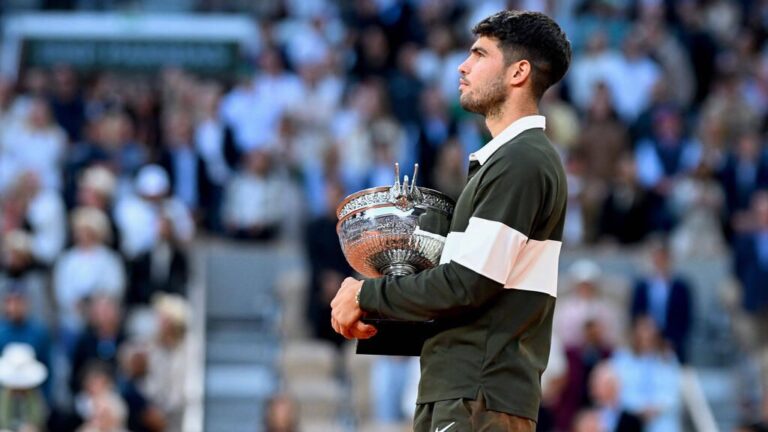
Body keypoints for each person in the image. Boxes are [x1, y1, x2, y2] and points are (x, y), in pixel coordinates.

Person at [331, 10, 571, 431]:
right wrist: (381, 320)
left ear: (518, 72)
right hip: (464, 390)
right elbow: (475, 298)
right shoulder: (508, 160)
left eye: (479, 54)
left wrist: (367, 296)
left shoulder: (522, 161)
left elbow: (467, 285)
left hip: (478, 395)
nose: (463, 65)